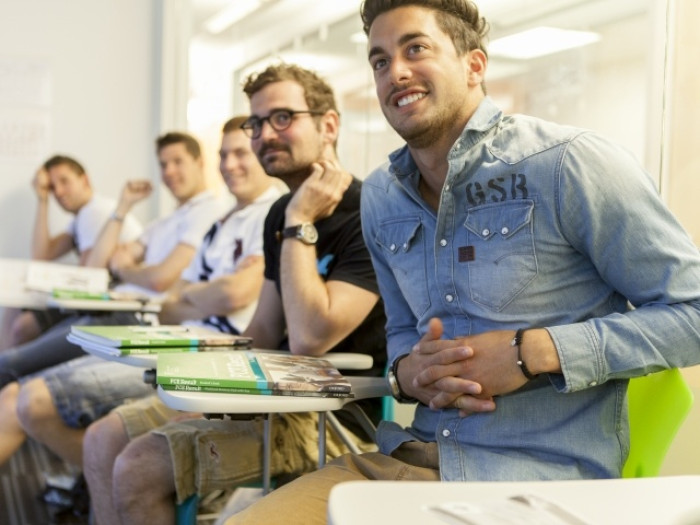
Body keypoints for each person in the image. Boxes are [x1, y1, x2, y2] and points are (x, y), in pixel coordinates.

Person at [227, 1, 700, 524]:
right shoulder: (381, 196)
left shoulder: (567, 163)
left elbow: (693, 313)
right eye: (380, 60)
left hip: (535, 482)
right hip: (408, 459)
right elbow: (401, 332)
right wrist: (408, 373)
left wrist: (534, 351)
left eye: (415, 48)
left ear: (474, 66)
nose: (395, 71)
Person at [81, 64, 388, 525]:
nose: (265, 134)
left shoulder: (368, 213)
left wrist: (300, 223)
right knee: (103, 438)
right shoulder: (280, 212)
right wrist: (213, 395)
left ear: (329, 126)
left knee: (138, 466)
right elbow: (263, 328)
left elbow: (309, 337)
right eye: (256, 123)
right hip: (267, 397)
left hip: (330, 414)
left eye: (282, 117)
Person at [0, 131, 228, 464]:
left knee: (12, 371)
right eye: (163, 164)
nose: (169, 171)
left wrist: (131, 269)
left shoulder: (208, 210)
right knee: (13, 365)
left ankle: (80, 472)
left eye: (178, 162)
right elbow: (107, 264)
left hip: (135, 319)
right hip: (116, 310)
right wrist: (123, 207)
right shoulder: (166, 220)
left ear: (199, 162)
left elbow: (157, 278)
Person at [0, 155, 142, 350]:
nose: (58, 192)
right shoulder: (81, 217)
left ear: (85, 180)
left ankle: (8, 363)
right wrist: (42, 199)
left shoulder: (94, 212)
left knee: (22, 326)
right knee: (14, 300)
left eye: (64, 181)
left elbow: (88, 276)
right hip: (100, 295)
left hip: (115, 301)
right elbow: (41, 256)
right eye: (52, 187)